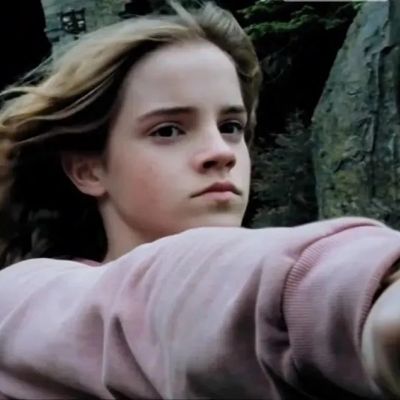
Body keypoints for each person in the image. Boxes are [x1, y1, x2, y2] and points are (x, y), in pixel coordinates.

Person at [0, 2, 399, 399]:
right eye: (168, 130)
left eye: (231, 127)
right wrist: (359, 293)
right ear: (88, 170)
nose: (221, 152)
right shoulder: (23, 303)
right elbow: (163, 294)